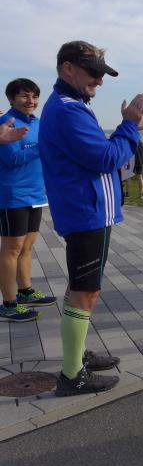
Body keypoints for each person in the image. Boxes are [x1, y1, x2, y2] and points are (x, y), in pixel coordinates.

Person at [39, 40, 143, 396]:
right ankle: (71, 375)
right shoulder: (67, 111)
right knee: (86, 292)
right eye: (93, 73)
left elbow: (101, 152)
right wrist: (129, 125)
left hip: (88, 212)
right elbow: (106, 158)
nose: (99, 81)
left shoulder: (71, 106)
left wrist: (132, 128)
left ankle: (76, 356)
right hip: (86, 214)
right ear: (68, 69)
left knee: (81, 288)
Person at [0, 79, 58, 322]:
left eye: (34, 96)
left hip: (36, 194)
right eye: (24, 96)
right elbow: (12, 159)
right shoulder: (5, 123)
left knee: (27, 247)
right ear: (11, 98)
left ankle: (25, 292)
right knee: (12, 249)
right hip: (13, 195)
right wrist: (43, 146)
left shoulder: (39, 123)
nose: (31, 101)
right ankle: (8, 304)